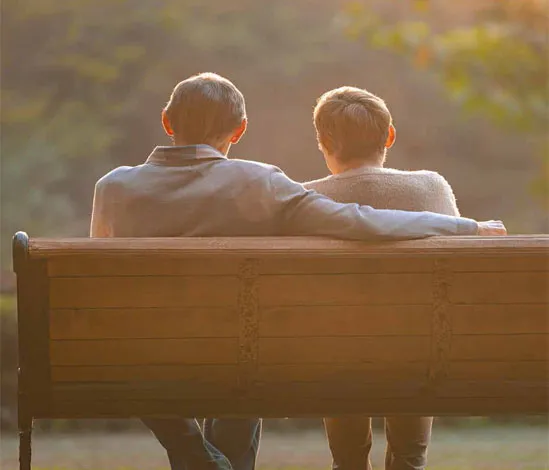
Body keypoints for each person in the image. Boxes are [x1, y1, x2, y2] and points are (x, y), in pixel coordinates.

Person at [90, 72, 506, 470]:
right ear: (239, 130)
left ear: (166, 121)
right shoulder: (258, 183)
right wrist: (468, 227)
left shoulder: (112, 187)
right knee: (240, 362)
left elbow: (104, 294)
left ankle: (192, 450)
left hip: (145, 358)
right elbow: (362, 221)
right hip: (236, 358)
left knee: (143, 350)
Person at [303, 85, 466, 469]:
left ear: (323, 141)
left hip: (337, 362)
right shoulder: (432, 188)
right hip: (420, 355)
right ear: (389, 135)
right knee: (410, 454)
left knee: (339, 350)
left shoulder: (304, 199)